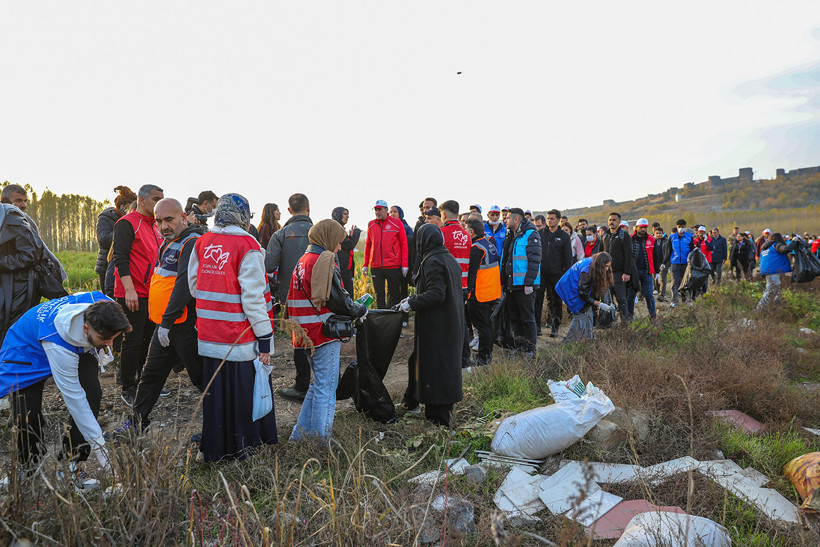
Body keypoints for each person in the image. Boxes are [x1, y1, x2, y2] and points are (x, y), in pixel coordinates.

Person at [0, 294, 130, 490]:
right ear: (86, 327)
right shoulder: (60, 346)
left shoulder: (104, 305)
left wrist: (102, 340)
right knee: (27, 413)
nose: (111, 344)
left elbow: (84, 399)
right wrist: (102, 452)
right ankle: (27, 465)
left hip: (76, 342)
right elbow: (75, 400)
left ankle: (71, 465)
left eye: (113, 337)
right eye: (105, 338)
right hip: (26, 350)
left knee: (92, 395)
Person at [188, 193, 276, 462]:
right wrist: (265, 337)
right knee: (242, 397)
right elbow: (253, 298)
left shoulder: (202, 241)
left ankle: (215, 450)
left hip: (209, 335)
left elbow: (194, 286)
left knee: (216, 398)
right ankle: (242, 450)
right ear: (243, 215)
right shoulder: (247, 244)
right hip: (239, 338)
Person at [127, 199, 205, 433]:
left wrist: (167, 322)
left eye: (169, 220)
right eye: (159, 221)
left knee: (202, 378)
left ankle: (221, 427)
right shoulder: (168, 242)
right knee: (150, 375)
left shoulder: (192, 243)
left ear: (184, 217)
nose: (163, 226)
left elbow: (184, 286)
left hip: (185, 326)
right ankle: (135, 425)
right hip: (165, 326)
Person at [288, 220, 367, 442]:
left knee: (317, 385)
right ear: (328, 238)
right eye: (338, 241)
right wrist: (359, 309)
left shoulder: (303, 260)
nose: (340, 247)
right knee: (327, 388)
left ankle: (299, 437)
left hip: (304, 332)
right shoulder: (323, 260)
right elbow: (338, 300)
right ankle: (321, 443)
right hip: (321, 332)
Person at [398, 224, 463, 427]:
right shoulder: (447, 258)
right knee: (418, 361)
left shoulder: (433, 261)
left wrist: (412, 302)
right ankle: (412, 400)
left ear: (422, 241)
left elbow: (437, 293)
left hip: (438, 326)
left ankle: (439, 420)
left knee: (437, 368)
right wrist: (413, 299)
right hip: (449, 323)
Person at [112, 184, 164, 406]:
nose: (159, 203)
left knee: (149, 340)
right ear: (141, 200)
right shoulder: (127, 223)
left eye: (161, 199)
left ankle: (144, 383)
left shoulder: (156, 225)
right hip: (132, 292)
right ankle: (128, 387)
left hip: (153, 293)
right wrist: (129, 290)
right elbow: (120, 258)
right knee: (132, 340)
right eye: (155, 199)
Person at [266, 193, 312, 402]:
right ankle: (328, 385)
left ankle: (302, 387)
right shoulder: (320, 232)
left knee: (300, 340)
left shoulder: (281, 234)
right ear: (308, 208)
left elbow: (269, 266)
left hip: (292, 296)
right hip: (320, 296)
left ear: (289, 210)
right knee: (322, 337)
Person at [0, 202, 43, 344]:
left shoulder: (13, 219)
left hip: (18, 289)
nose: (23, 204)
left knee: (11, 333)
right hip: (5, 286)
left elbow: (29, 255)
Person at [500, 208, 541, 356]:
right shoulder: (511, 235)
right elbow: (506, 260)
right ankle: (520, 347)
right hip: (512, 284)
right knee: (516, 319)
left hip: (525, 285)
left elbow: (535, 260)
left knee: (527, 319)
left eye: (508, 218)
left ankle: (530, 349)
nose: (505, 220)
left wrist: (529, 283)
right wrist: (503, 281)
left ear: (516, 220)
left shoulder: (531, 234)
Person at [439, 200, 473, 367]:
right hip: (463, 286)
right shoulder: (466, 235)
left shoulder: (442, 233)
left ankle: (450, 359)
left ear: (444, 215)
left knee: (446, 324)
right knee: (461, 323)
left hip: (447, 286)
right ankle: (464, 359)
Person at [465, 218, 501, 366]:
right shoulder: (488, 244)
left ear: (471, 232)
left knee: (482, 326)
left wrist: (467, 293)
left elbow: (471, 274)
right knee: (486, 325)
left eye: (465, 229)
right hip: (491, 291)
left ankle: (483, 358)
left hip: (479, 294)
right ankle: (486, 355)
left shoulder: (475, 248)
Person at [556, 253, 615, 340]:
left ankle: (588, 338)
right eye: (605, 266)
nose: (607, 269)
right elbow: (583, 293)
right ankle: (569, 341)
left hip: (575, 286)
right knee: (581, 313)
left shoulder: (594, 264)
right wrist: (599, 304)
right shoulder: (587, 271)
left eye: (608, 266)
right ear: (600, 264)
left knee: (588, 310)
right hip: (569, 288)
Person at [363, 199, 409, 309]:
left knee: (394, 294)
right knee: (379, 295)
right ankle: (381, 318)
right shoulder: (371, 224)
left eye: (380, 209)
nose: (377, 212)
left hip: (393, 266)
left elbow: (404, 244)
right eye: (376, 210)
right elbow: (368, 245)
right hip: (376, 267)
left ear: (386, 209)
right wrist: (365, 264)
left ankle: (394, 318)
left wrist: (405, 265)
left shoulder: (396, 223)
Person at [537, 209, 572, 337]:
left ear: (558, 220)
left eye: (552, 218)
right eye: (548, 218)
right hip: (541, 273)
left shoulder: (564, 236)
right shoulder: (540, 234)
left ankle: (555, 327)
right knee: (538, 300)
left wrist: (565, 275)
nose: (549, 220)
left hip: (557, 274)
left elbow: (568, 258)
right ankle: (537, 327)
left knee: (556, 301)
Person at [95, 186, 137, 293]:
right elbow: (103, 239)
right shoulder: (106, 217)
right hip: (107, 265)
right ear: (123, 207)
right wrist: (123, 231)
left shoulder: (134, 219)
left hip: (127, 265)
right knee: (110, 297)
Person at [601, 212, 634, 320]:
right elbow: (600, 253)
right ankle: (608, 322)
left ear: (619, 221)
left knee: (621, 299)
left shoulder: (624, 236)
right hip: (606, 273)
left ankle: (624, 323)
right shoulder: (605, 236)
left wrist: (627, 272)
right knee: (607, 299)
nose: (611, 222)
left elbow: (629, 255)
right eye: (610, 220)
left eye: (614, 220)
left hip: (619, 273)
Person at [756, 233, 800, 312]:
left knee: (777, 289)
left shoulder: (765, 248)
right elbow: (787, 249)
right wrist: (794, 241)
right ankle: (759, 310)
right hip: (772, 270)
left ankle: (776, 308)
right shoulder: (776, 245)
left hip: (767, 270)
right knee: (770, 290)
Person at [626, 219, 656, 320]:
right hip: (633, 272)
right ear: (636, 227)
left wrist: (656, 271)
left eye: (645, 227)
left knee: (649, 295)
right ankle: (630, 317)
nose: (643, 229)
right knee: (631, 296)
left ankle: (653, 318)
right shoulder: (630, 239)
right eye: (641, 227)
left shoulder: (651, 239)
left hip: (647, 271)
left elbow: (655, 255)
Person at [332, 207, 360, 298]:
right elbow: (349, 245)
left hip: (346, 268)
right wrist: (356, 233)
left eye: (347, 214)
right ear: (338, 215)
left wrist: (350, 237)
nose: (347, 216)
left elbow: (346, 245)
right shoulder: (336, 229)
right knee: (345, 295)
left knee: (348, 294)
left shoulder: (340, 229)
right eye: (344, 214)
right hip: (341, 268)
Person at [390, 205, 415, 304]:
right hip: (391, 262)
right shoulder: (387, 226)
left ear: (400, 214)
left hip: (404, 261)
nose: (392, 214)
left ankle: (403, 310)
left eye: (395, 212)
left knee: (403, 287)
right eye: (391, 212)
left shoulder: (406, 227)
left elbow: (412, 242)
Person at [668, 219, 694, 308]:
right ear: (676, 227)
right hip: (675, 263)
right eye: (679, 227)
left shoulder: (689, 237)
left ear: (685, 227)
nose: (681, 228)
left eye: (682, 227)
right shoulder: (672, 237)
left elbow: (692, 251)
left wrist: (691, 262)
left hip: (686, 263)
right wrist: (664, 263)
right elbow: (669, 251)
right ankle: (674, 301)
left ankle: (689, 300)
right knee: (675, 283)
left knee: (687, 282)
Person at [693, 226, 714, 295]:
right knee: (696, 278)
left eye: (702, 233)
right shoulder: (695, 240)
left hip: (706, 262)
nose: (701, 234)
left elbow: (711, 248)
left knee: (705, 278)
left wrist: (705, 241)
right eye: (700, 232)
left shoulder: (709, 240)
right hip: (697, 262)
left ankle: (703, 293)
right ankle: (697, 291)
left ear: (705, 233)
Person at [653, 226, 670, 301]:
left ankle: (662, 294)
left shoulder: (667, 241)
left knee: (663, 278)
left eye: (660, 233)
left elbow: (668, 252)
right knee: (655, 278)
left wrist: (666, 262)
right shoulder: (652, 241)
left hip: (664, 262)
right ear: (654, 233)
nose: (658, 235)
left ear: (662, 233)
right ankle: (657, 289)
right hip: (655, 263)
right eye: (657, 233)